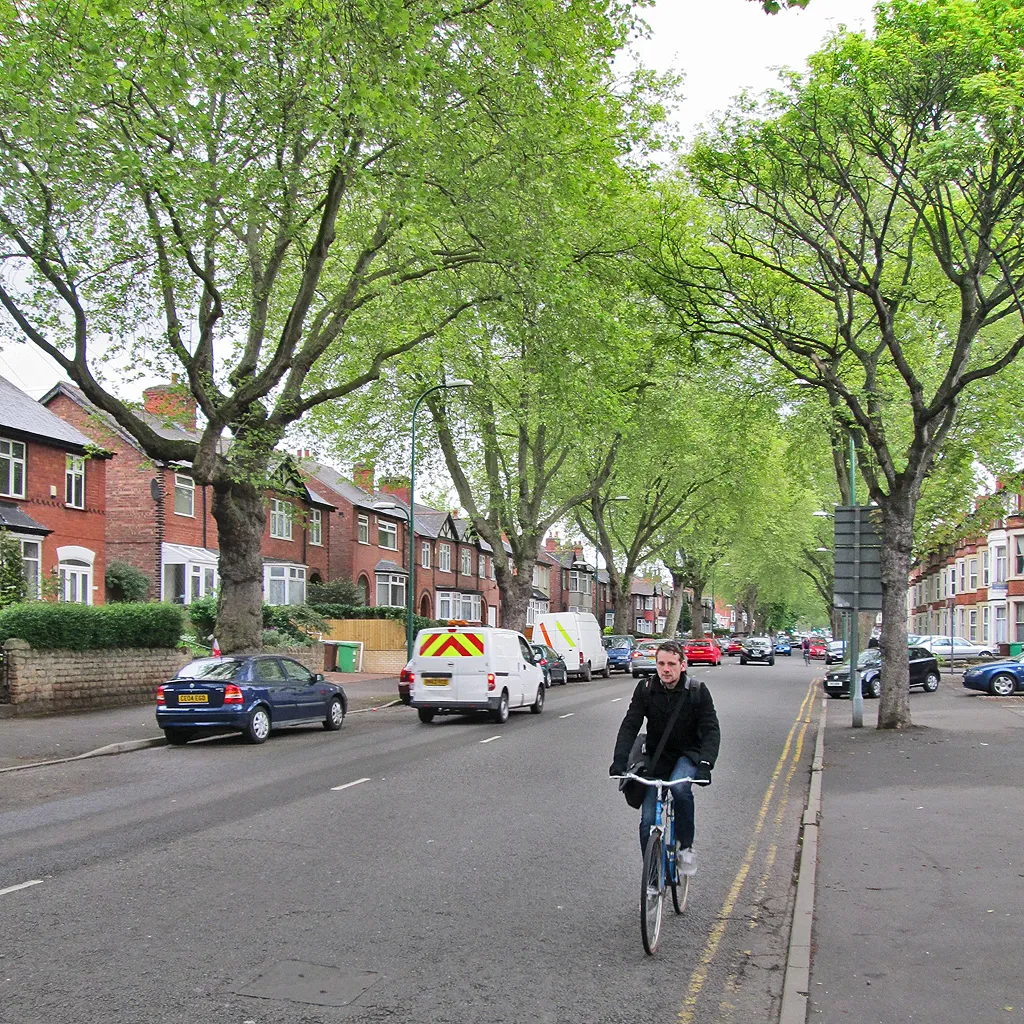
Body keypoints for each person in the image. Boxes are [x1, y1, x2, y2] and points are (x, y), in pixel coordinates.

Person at [609, 640, 720, 877]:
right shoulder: (646, 689)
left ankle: (685, 848)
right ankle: (651, 875)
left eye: (671, 664)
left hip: (687, 756)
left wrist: (705, 765)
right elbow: (631, 724)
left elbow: (711, 730)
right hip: (657, 758)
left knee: (680, 790)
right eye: (661, 663)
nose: (666, 669)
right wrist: (619, 760)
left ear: (683, 665)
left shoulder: (697, 691)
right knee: (647, 821)